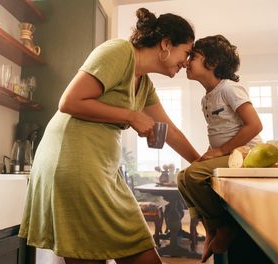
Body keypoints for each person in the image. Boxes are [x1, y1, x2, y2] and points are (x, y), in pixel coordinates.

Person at [18, 7, 200, 264]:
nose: (187, 61)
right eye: (187, 51)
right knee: (92, 254)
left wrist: (202, 163)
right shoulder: (118, 52)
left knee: (137, 248)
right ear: (166, 44)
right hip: (73, 160)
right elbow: (69, 102)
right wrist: (132, 116)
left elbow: (170, 130)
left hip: (102, 169)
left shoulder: (144, 83)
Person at [177, 35, 263, 263]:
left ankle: (224, 228)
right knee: (182, 177)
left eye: (193, 57)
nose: (186, 61)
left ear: (213, 63)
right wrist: (210, 152)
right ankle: (211, 229)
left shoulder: (230, 89)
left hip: (246, 155)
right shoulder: (206, 99)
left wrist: (221, 150)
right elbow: (220, 131)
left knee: (194, 175)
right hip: (227, 153)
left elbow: (254, 125)